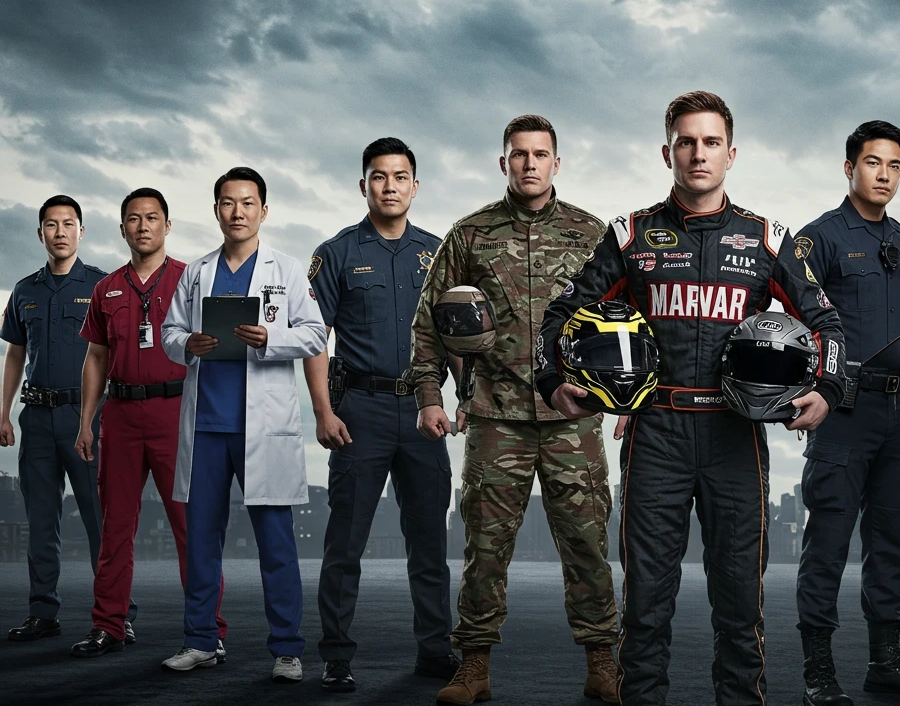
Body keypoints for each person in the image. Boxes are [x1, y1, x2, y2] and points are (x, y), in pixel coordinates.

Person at [534, 91, 846, 706]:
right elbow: (559, 314)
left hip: (736, 437)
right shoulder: (629, 235)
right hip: (656, 437)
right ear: (667, 151)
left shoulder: (766, 238)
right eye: (685, 141)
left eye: (710, 143)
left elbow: (827, 324)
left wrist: (829, 390)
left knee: (739, 603)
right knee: (647, 602)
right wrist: (552, 380)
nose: (697, 153)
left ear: (731, 154)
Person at [411, 116, 619, 705]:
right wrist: (429, 394)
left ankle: (602, 660)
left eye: (541, 154)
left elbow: (626, 320)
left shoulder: (590, 234)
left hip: (572, 415)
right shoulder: (470, 234)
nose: (530, 164)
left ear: (558, 162)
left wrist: (629, 398)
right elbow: (428, 322)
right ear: (503, 163)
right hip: (493, 414)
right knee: (485, 545)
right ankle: (473, 666)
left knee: (586, 541)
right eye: (519, 155)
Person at [792, 120, 900, 705]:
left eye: (895, 165)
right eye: (874, 162)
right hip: (842, 410)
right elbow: (793, 325)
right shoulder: (818, 240)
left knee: (893, 540)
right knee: (827, 540)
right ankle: (818, 672)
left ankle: (886, 661)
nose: (884, 174)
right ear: (849, 166)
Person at [159, 167, 326, 682]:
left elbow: (316, 334)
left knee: (276, 542)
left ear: (264, 211)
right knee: (202, 541)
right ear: (216, 212)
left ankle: (287, 649)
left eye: (248, 203)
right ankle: (201, 641)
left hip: (264, 428)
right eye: (228, 204)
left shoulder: (288, 269)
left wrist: (269, 341)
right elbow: (168, 331)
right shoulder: (196, 272)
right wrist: (186, 343)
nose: (238, 212)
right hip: (207, 426)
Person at [308, 138, 458, 692]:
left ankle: (435, 651)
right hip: (359, 412)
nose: (390, 186)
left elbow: (458, 333)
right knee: (345, 543)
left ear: (415, 186)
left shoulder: (438, 253)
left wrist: (454, 398)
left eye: (400, 177)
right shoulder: (338, 253)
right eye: (378, 176)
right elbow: (312, 338)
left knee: (429, 543)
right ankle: (337, 655)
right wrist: (323, 411)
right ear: (363, 184)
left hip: (422, 414)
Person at [71, 189, 227, 658]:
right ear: (122, 230)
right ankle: (109, 625)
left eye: (152, 217)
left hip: (177, 412)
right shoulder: (106, 288)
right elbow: (96, 356)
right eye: (133, 219)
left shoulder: (192, 280)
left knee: (190, 525)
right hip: (119, 415)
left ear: (167, 225)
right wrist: (86, 421)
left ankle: (209, 632)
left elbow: (219, 346)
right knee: (115, 525)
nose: (143, 226)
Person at [1, 196, 114, 642]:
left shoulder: (102, 286)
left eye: (69, 224)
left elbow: (113, 355)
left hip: (86, 418)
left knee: (99, 519)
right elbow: (15, 354)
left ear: (81, 231)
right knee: (40, 520)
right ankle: (42, 612)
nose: (60, 231)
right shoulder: (25, 290)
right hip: (37, 418)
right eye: (51, 224)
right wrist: (5, 412)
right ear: (41, 234)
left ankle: (116, 613)